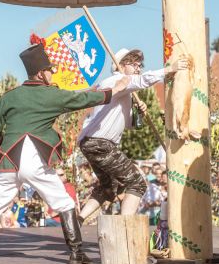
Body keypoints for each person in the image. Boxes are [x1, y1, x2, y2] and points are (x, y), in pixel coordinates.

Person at [0, 42, 129, 264]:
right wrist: (114, 91)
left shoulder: (9, 96)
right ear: (40, 73)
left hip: (8, 159)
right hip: (35, 159)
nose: (52, 74)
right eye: (49, 70)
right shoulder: (51, 95)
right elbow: (81, 100)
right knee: (64, 203)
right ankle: (76, 252)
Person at [78, 48, 187, 220]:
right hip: (100, 143)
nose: (138, 68)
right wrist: (169, 69)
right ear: (120, 66)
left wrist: (138, 113)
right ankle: (125, 226)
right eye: (133, 63)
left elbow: (129, 125)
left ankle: (78, 220)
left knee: (108, 188)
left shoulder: (123, 91)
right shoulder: (117, 80)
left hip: (91, 142)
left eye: (140, 64)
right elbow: (143, 80)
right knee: (137, 183)